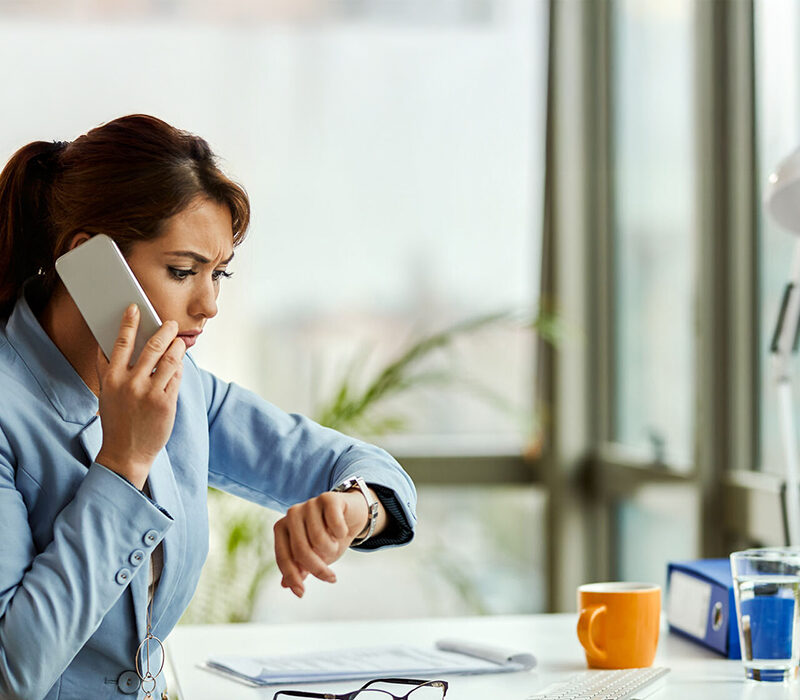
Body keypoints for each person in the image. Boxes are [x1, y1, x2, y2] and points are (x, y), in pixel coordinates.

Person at [0, 114, 416, 700]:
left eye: (217, 274)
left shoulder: (181, 384)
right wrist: (123, 463)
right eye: (182, 271)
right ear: (89, 260)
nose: (210, 304)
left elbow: (360, 463)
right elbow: (11, 672)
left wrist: (356, 508)